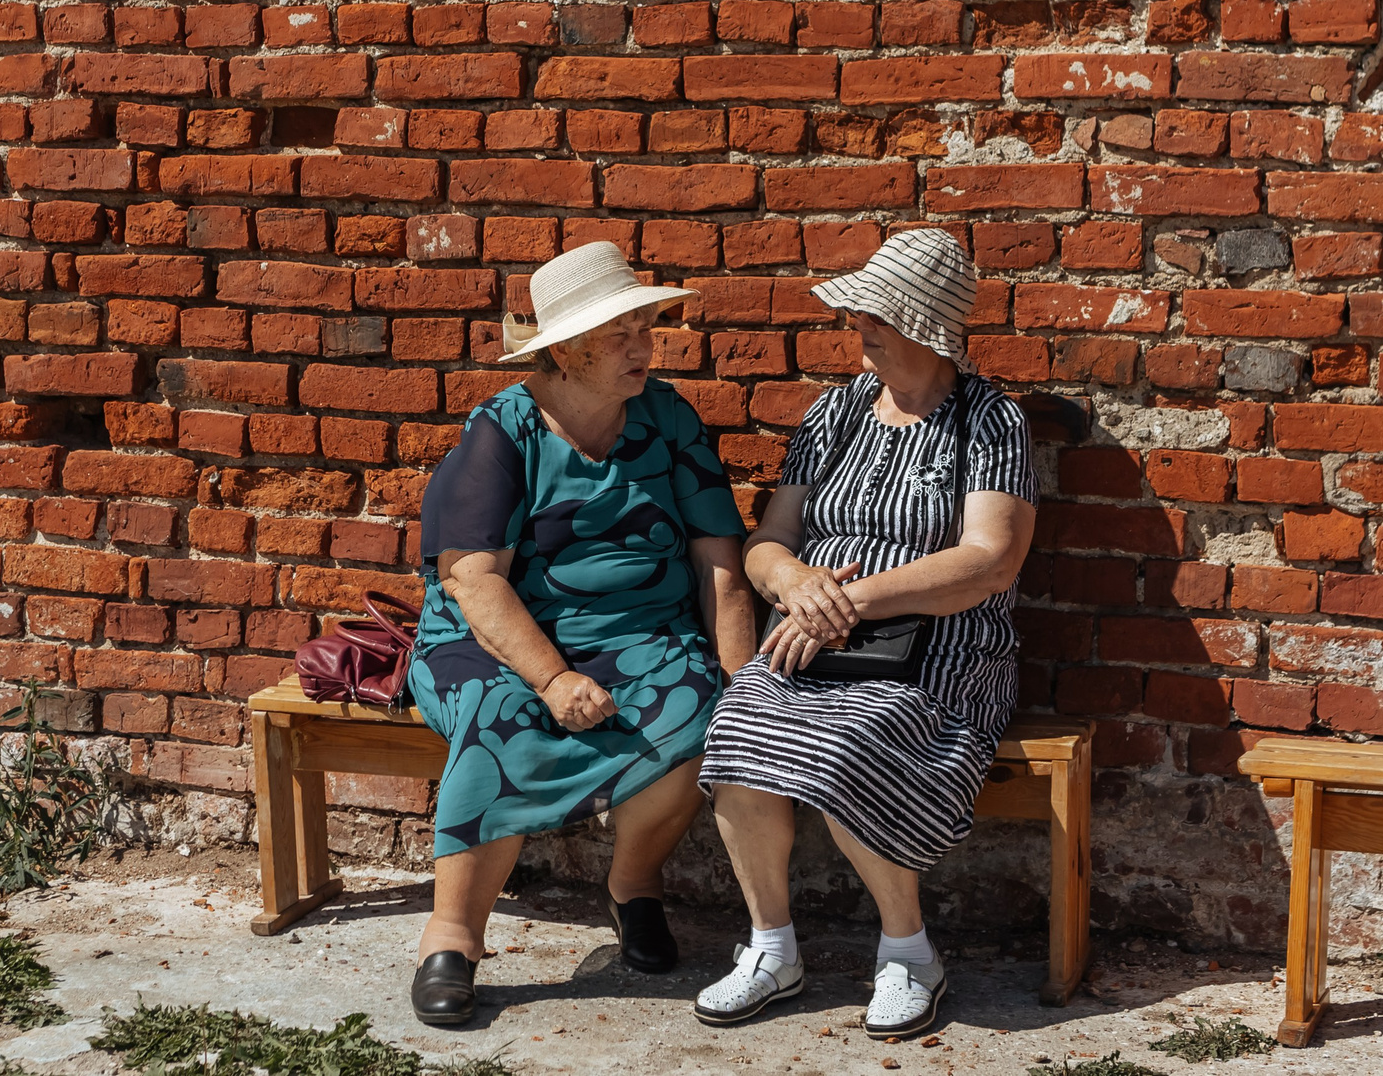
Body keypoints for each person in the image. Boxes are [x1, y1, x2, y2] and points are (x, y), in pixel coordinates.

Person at [695, 228, 1037, 1039]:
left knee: (852, 741)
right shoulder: (837, 408)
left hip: (945, 652)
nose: (860, 324)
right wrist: (794, 582)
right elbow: (769, 539)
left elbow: (990, 561)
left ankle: (909, 951)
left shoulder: (991, 422)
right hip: (815, 638)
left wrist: (851, 601)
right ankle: (772, 946)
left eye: (878, 312)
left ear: (926, 322)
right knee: (737, 724)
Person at [406, 239, 757, 1028]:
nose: (644, 346)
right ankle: (453, 935)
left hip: (640, 633)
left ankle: (634, 888)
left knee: (704, 710)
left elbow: (719, 560)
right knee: (500, 714)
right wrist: (552, 677)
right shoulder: (505, 429)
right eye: (622, 332)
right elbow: (473, 578)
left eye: (646, 326)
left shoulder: (668, 418)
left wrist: (745, 675)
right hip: (497, 637)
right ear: (565, 348)